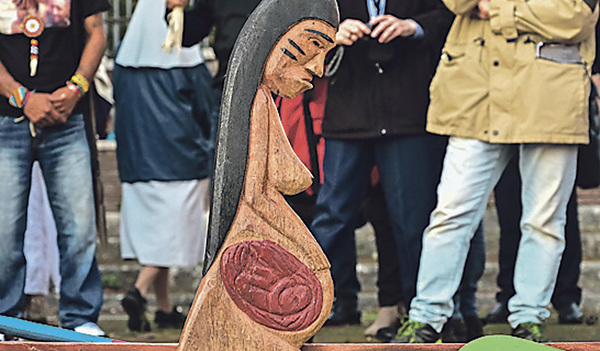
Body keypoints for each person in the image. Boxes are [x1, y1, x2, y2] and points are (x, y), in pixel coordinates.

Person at [396, 0, 597, 343]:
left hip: (549, 97)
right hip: (478, 94)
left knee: (544, 221)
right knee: (451, 213)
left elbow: (574, 17)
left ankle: (529, 317)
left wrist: (500, 11)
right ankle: (426, 317)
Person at [308, 0, 454, 328]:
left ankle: (423, 317)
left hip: (408, 112)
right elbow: (300, 26)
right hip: (348, 112)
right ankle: (299, 310)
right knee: (331, 216)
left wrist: (410, 27)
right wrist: (333, 33)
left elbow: (450, 15)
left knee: (413, 220)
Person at [0, 0, 108, 336]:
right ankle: (4, 317)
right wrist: (22, 97)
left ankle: (80, 318)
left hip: (67, 117)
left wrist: (77, 88)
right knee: (3, 230)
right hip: (7, 118)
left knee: (79, 225)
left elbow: (97, 33)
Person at [113, 0, 216, 332]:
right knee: (172, 234)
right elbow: (206, 108)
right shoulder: (186, 61)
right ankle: (139, 291)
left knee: (157, 233)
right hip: (182, 160)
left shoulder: (125, 63)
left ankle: (165, 307)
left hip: (139, 163)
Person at [484, 157, 584, 325]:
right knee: (510, 217)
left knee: (560, 217)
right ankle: (509, 294)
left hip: (552, 135)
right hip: (509, 138)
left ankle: (566, 296)